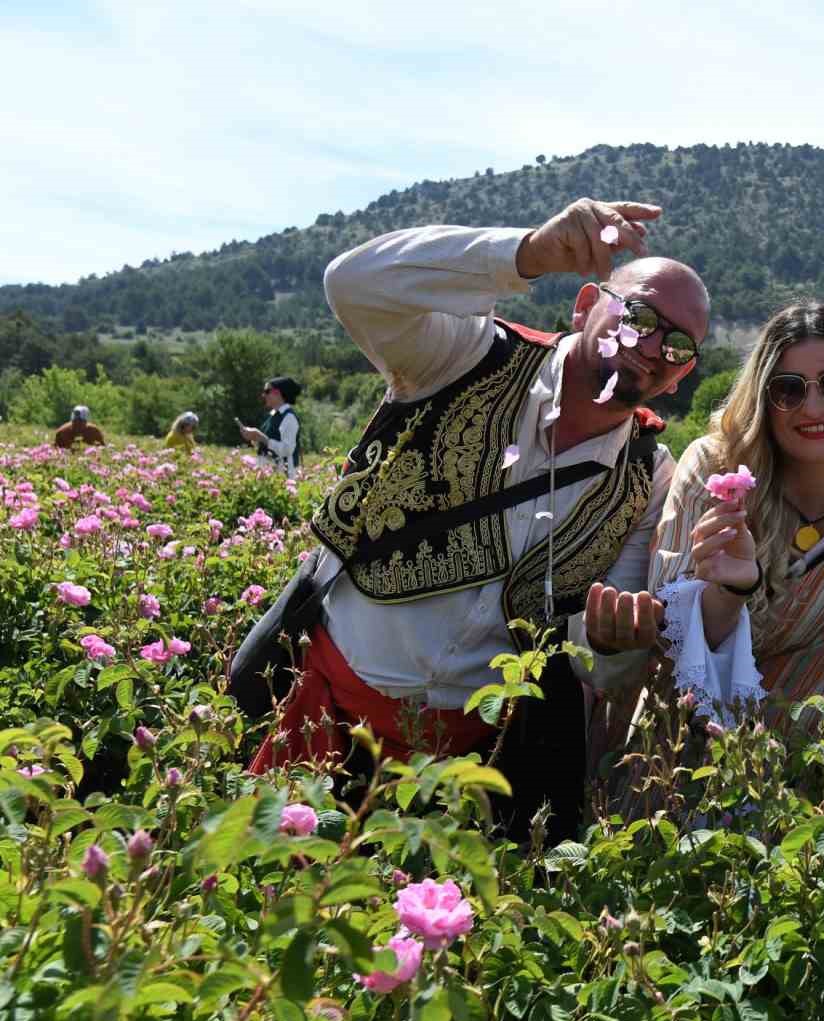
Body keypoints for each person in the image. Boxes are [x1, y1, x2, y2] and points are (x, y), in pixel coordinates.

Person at [241, 197, 708, 844]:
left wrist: (612, 643)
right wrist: (526, 254)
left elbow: (591, 657)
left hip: (462, 773)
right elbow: (351, 283)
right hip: (318, 705)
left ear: (682, 376)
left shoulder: (650, 476)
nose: (653, 345)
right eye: (639, 315)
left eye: (679, 344)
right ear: (583, 305)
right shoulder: (466, 354)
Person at [644, 304, 824, 732]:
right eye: (788, 390)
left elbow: (816, 693)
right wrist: (726, 594)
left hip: (772, 770)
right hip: (663, 743)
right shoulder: (714, 469)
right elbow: (664, 635)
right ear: (764, 404)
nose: (812, 407)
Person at [239, 377, 302, 476]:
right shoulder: (273, 414)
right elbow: (268, 442)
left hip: (284, 476)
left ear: (278, 393)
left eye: (267, 391)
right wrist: (254, 437)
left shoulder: (289, 417)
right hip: (270, 473)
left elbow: (287, 450)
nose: (263, 395)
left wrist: (261, 437)